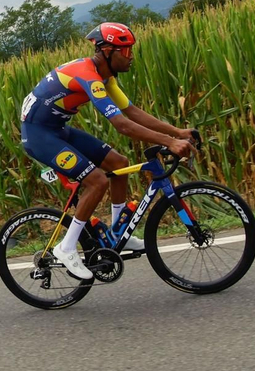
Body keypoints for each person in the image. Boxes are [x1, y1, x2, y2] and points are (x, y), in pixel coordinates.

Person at [19, 22, 197, 280]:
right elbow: (122, 125)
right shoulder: (88, 75)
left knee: (119, 163)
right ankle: (66, 248)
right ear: (107, 51)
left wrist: (178, 132)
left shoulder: (106, 76)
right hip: (38, 135)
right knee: (97, 181)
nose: (131, 56)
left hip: (57, 129)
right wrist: (169, 142)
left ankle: (116, 233)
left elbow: (132, 112)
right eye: (126, 51)